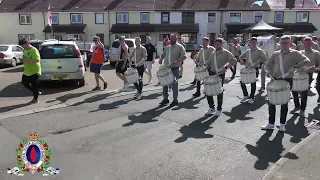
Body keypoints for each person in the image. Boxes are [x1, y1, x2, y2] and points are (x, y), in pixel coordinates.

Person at [263, 35, 310, 132]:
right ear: (280, 43)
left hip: (287, 80)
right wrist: (267, 70)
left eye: (286, 43)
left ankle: (282, 124)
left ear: (290, 43)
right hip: (274, 79)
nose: (284, 45)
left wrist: (296, 67)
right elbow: (267, 64)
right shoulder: (275, 54)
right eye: (282, 43)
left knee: (284, 103)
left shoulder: (295, 53)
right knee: (271, 102)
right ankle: (271, 123)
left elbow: (306, 60)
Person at [205, 38, 237, 116]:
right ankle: (211, 107)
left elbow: (234, 60)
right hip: (211, 73)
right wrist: (204, 68)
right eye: (215, 44)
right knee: (208, 91)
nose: (216, 46)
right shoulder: (212, 53)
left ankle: (219, 109)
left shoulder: (226, 53)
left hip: (220, 74)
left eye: (218, 44)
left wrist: (226, 67)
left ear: (222, 44)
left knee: (219, 91)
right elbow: (209, 63)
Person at [159, 34, 187, 107]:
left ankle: (175, 100)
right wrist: (161, 59)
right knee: (164, 84)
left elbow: (184, 56)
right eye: (170, 38)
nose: (171, 40)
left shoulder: (180, 47)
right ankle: (165, 99)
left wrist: (178, 60)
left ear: (176, 39)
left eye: (172, 39)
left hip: (174, 68)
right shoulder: (168, 47)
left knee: (174, 85)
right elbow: (163, 54)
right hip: (166, 68)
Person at [239, 37, 268, 104]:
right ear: (250, 43)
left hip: (254, 69)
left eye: (254, 42)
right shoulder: (247, 51)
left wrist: (259, 61)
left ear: (256, 43)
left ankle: (252, 97)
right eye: (251, 42)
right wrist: (241, 61)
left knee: (253, 82)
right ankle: (246, 95)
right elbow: (241, 57)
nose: (253, 44)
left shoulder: (259, 51)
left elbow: (265, 58)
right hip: (247, 68)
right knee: (242, 82)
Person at [19, 38, 42, 103]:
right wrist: (22, 59)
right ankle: (36, 92)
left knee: (34, 86)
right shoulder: (25, 50)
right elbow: (25, 57)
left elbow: (37, 60)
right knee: (24, 83)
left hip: (35, 71)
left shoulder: (34, 50)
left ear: (27, 43)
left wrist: (26, 60)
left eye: (23, 46)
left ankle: (35, 99)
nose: (22, 47)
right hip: (27, 71)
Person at [299, 37, 320, 105]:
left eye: (308, 44)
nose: (307, 45)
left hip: (309, 74)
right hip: (298, 74)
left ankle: (302, 109)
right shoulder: (300, 53)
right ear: (303, 44)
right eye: (305, 44)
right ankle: (297, 105)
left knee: (304, 91)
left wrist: (315, 69)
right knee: (294, 91)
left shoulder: (316, 53)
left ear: (312, 44)